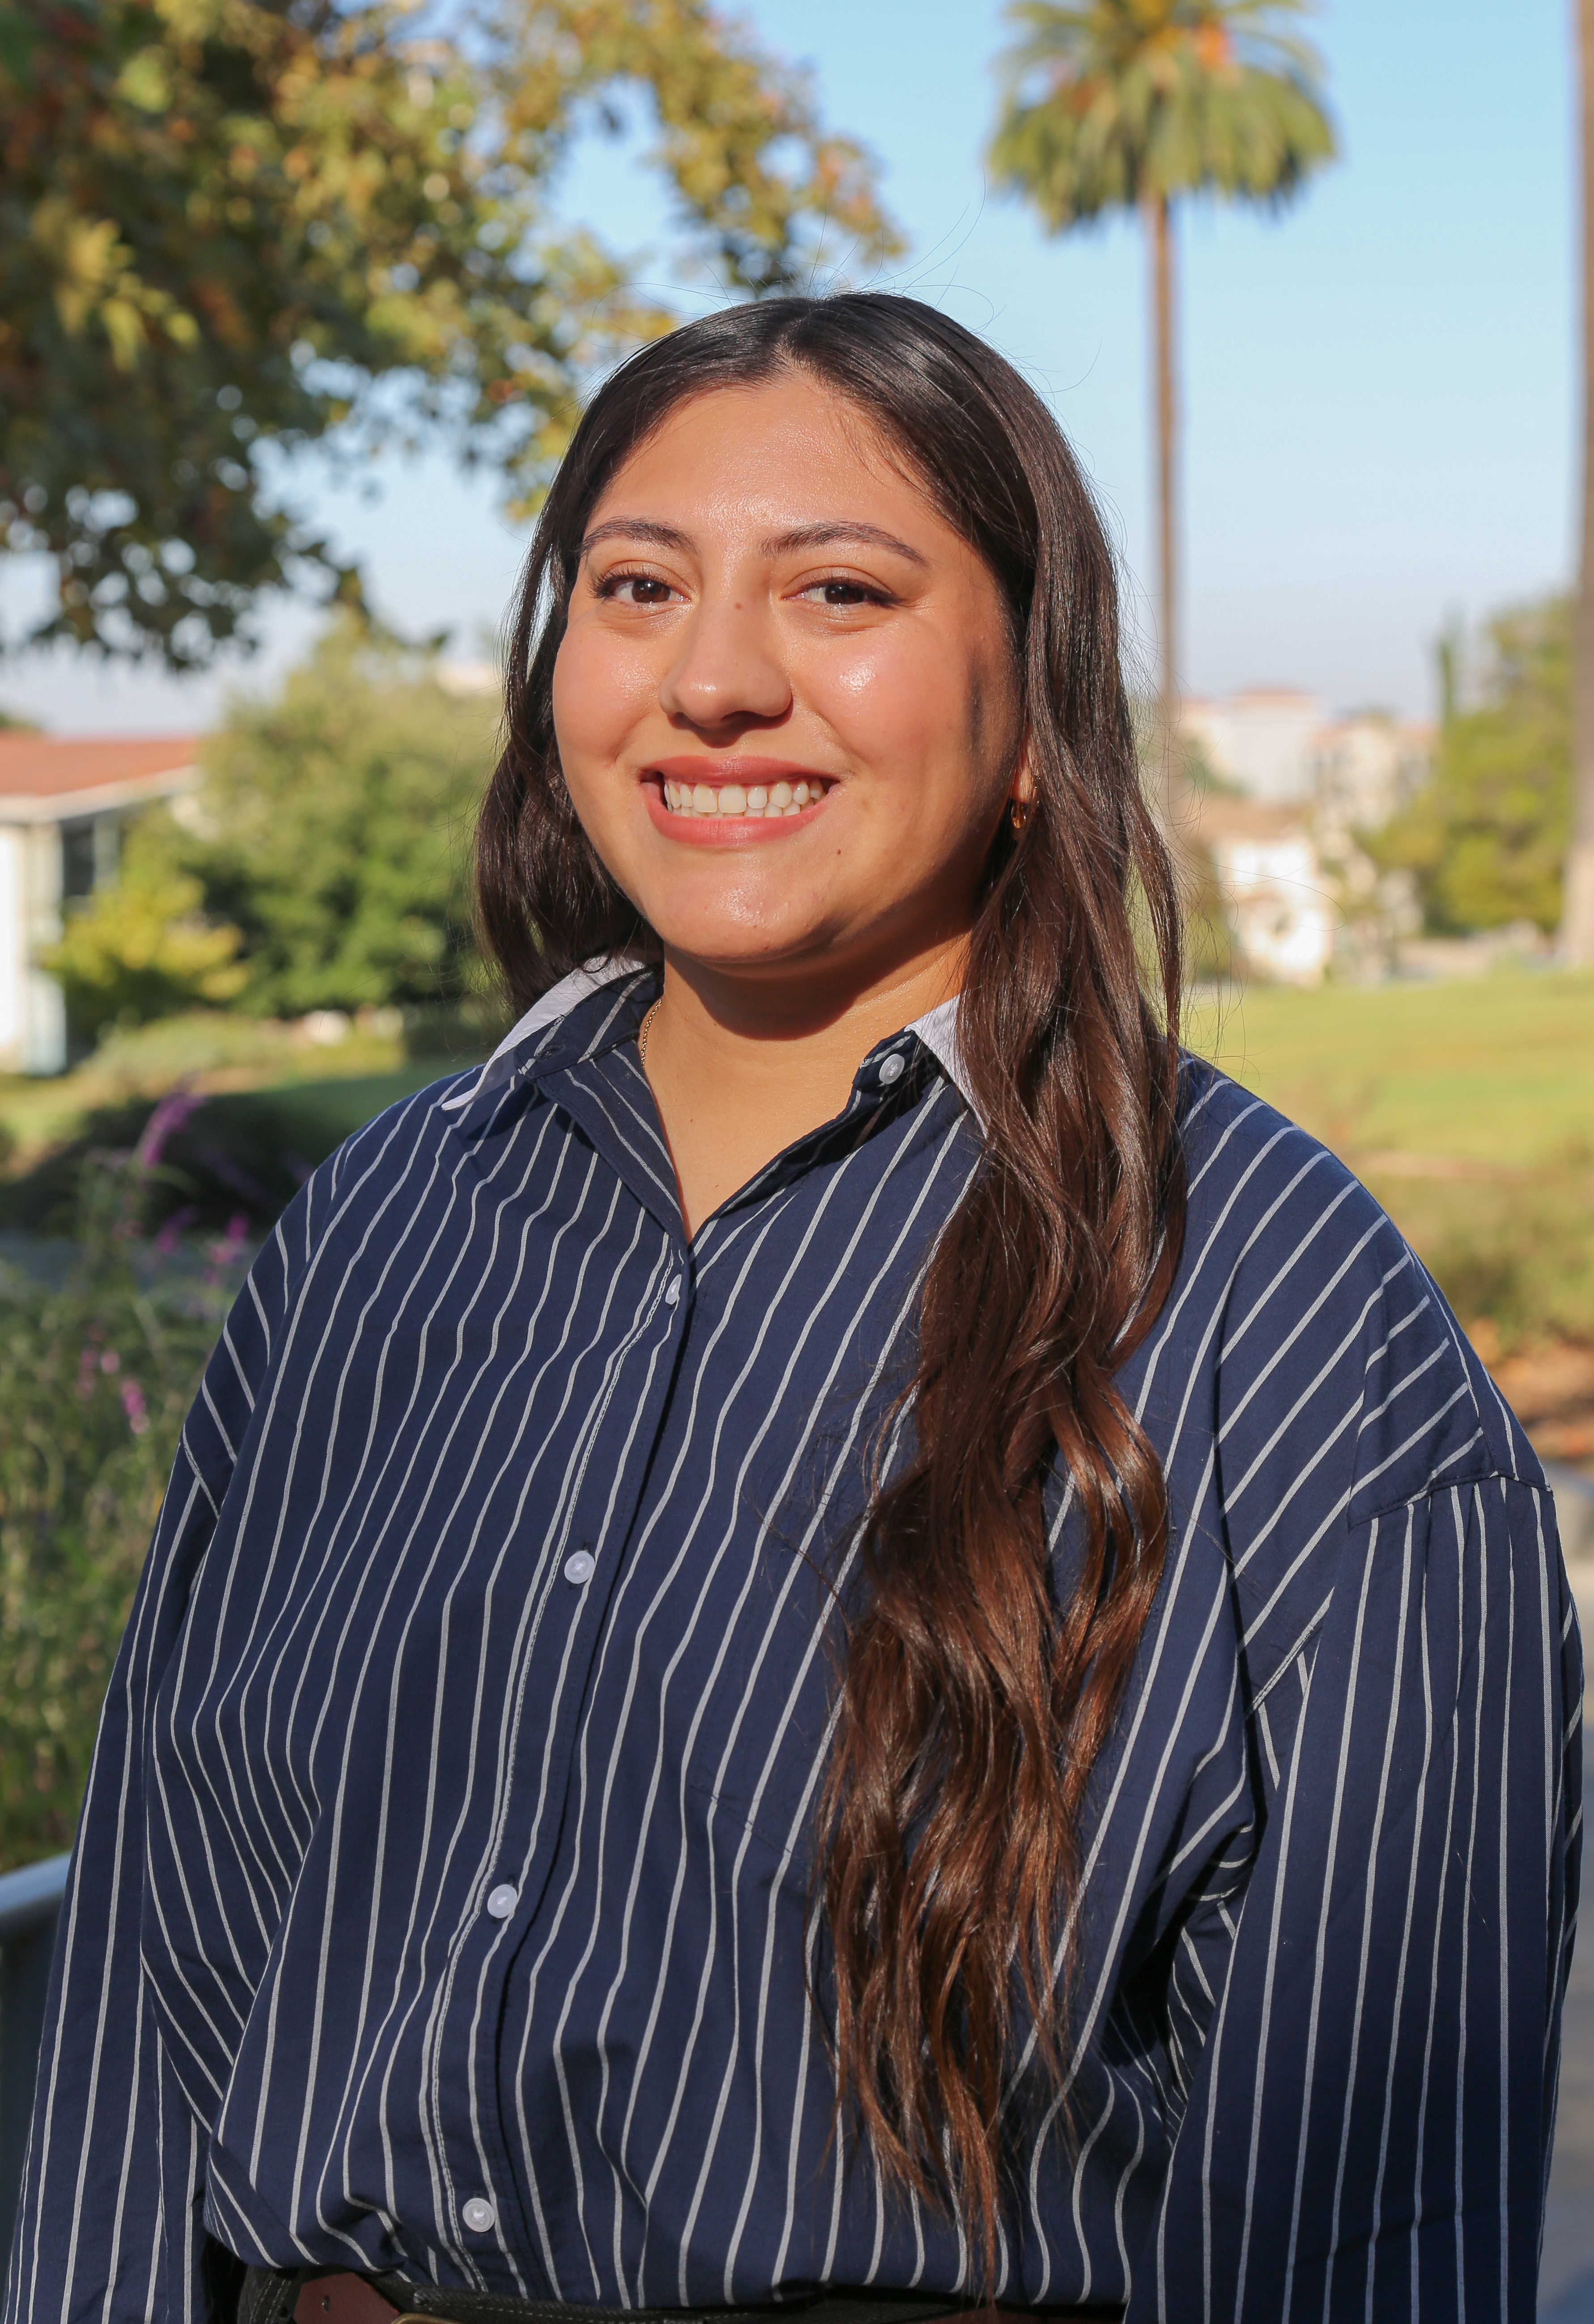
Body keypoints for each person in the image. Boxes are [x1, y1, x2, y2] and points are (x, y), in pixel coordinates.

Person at [4, 296, 1581, 2324]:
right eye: (637, 586)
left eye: (840, 589)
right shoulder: (378, 1233)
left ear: (1037, 711)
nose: (716, 679)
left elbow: (1370, 2228)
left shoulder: (1283, 1319)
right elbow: (141, 1988)